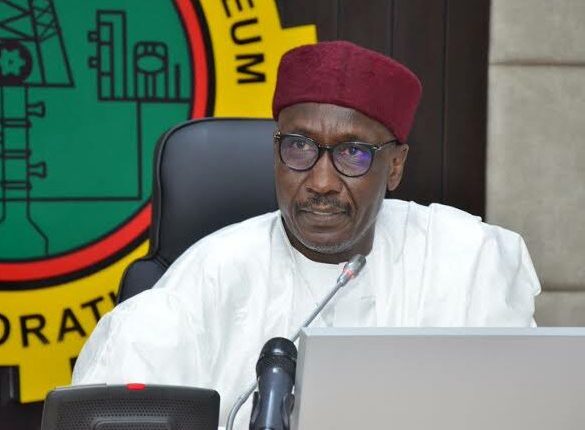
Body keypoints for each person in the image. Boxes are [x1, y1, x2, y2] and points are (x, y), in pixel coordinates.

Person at [72, 41, 541, 427]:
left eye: (353, 153)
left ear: (395, 166)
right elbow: (115, 413)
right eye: (299, 147)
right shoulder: (205, 279)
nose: (321, 182)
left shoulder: (465, 261)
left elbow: (519, 410)